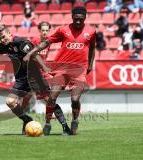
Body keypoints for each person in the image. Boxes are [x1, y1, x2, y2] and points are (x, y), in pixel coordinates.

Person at [0, 24, 72, 135]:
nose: (2, 40)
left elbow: (35, 54)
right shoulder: (4, 46)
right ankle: (27, 120)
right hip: (21, 80)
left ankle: (65, 127)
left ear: (9, 33)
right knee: (10, 102)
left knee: (49, 101)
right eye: (0, 38)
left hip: (35, 77)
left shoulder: (21, 43)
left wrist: (44, 68)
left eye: (4, 37)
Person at [23, 6, 96, 135]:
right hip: (61, 69)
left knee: (74, 99)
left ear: (85, 18)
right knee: (52, 97)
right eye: (76, 19)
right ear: (72, 17)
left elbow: (92, 48)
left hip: (79, 70)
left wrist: (90, 65)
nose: (78, 22)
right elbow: (46, 42)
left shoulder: (91, 31)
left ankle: (74, 121)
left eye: (81, 19)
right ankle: (47, 123)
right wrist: (31, 52)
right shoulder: (63, 30)